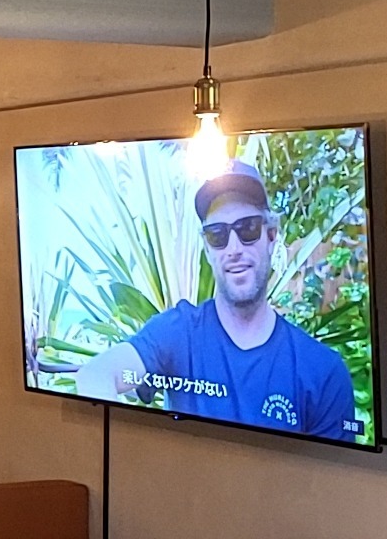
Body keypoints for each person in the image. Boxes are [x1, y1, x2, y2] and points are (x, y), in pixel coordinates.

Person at [75, 160, 361, 442]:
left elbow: (329, 471)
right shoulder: (179, 333)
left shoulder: (322, 371)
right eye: (218, 235)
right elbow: (97, 374)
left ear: (271, 236)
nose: (233, 249)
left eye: (248, 229)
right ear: (208, 249)